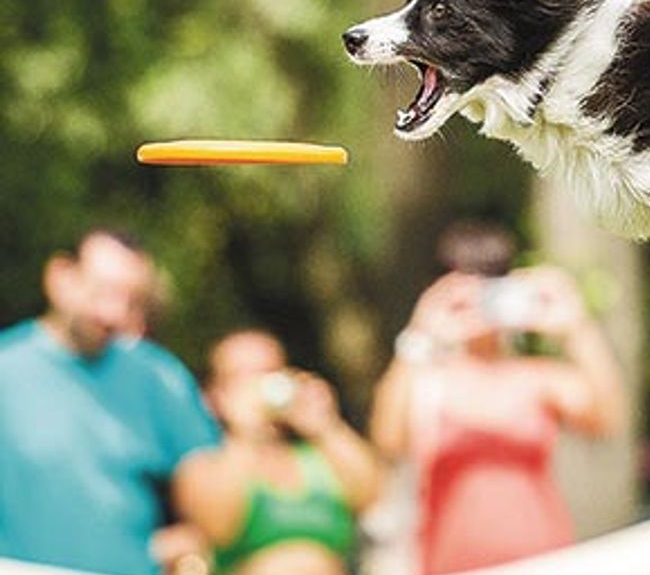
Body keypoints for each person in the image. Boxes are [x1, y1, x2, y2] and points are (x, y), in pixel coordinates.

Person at [368, 221, 627, 574]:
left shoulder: (537, 376)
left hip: (542, 559)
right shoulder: (428, 378)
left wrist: (577, 327)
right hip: (450, 562)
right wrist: (419, 333)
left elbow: (607, 420)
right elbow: (388, 441)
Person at [0, 229, 221, 575]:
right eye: (102, 292)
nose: (114, 313)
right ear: (60, 277)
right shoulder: (7, 369)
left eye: (132, 301)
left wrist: (193, 541)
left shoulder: (158, 376)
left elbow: (213, 491)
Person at [173, 329, 384, 574]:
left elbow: (373, 497)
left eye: (269, 372)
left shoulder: (318, 457)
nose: (258, 385)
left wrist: (326, 426)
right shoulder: (203, 466)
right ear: (216, 395)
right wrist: (245, 434)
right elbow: (218, 527)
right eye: (241, 376)